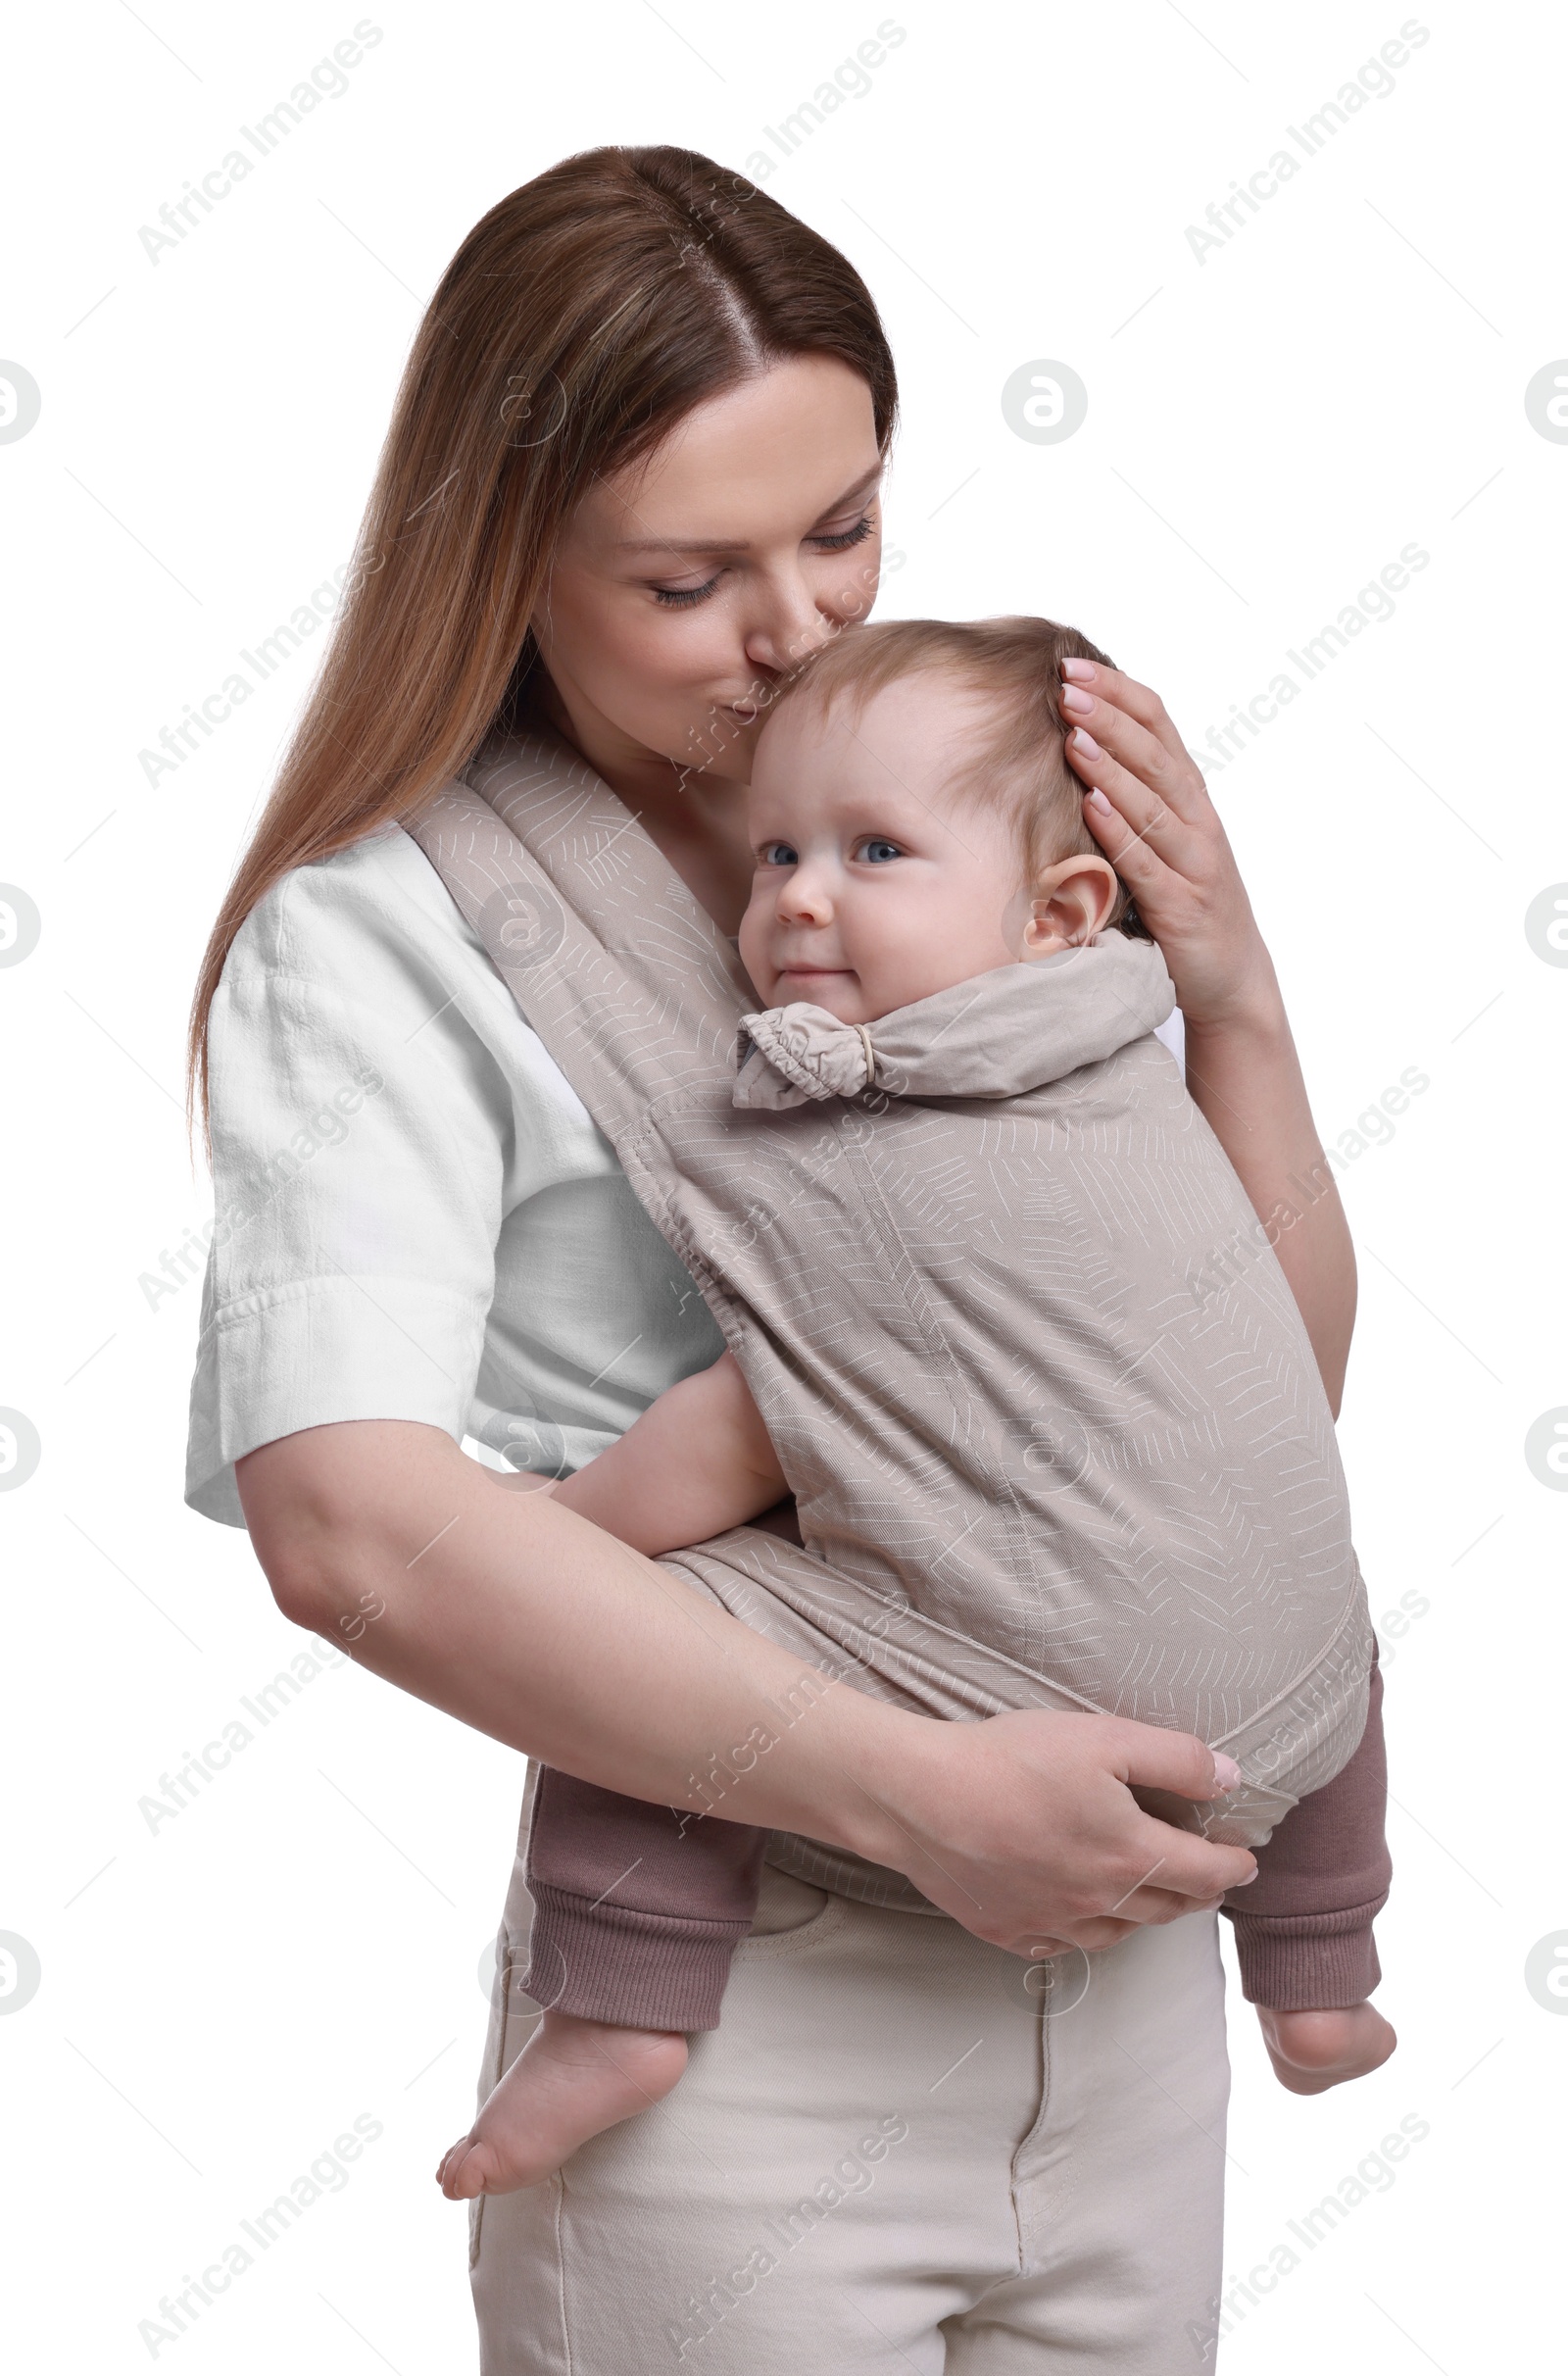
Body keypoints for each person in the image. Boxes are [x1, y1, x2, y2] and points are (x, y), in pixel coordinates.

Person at [186, 147, 1369, 2369]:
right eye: (686, 578)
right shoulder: (382, 938)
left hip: (1128, 2012)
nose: (800, 631)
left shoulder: (972, 810)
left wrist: (1235, 1004)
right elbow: (348, 1532)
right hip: (745, 2008)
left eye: (840, 527)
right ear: (504, 554)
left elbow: (1246, 1396)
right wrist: (914, 1796)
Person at [428, 614, 1395, 2203]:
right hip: (1287, 1728)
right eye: (772, 856)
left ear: (1063, 908)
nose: (798, 897)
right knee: (1308, 1585)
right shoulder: (1122, 1050)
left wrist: (561, 1537)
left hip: (1066, 1707)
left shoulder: (856, 1126)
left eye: (874, 852)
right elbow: (1293, 1384)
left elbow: (747, 1425)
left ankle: (622, 2000)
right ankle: (1319, 1965)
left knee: (648, 1630)